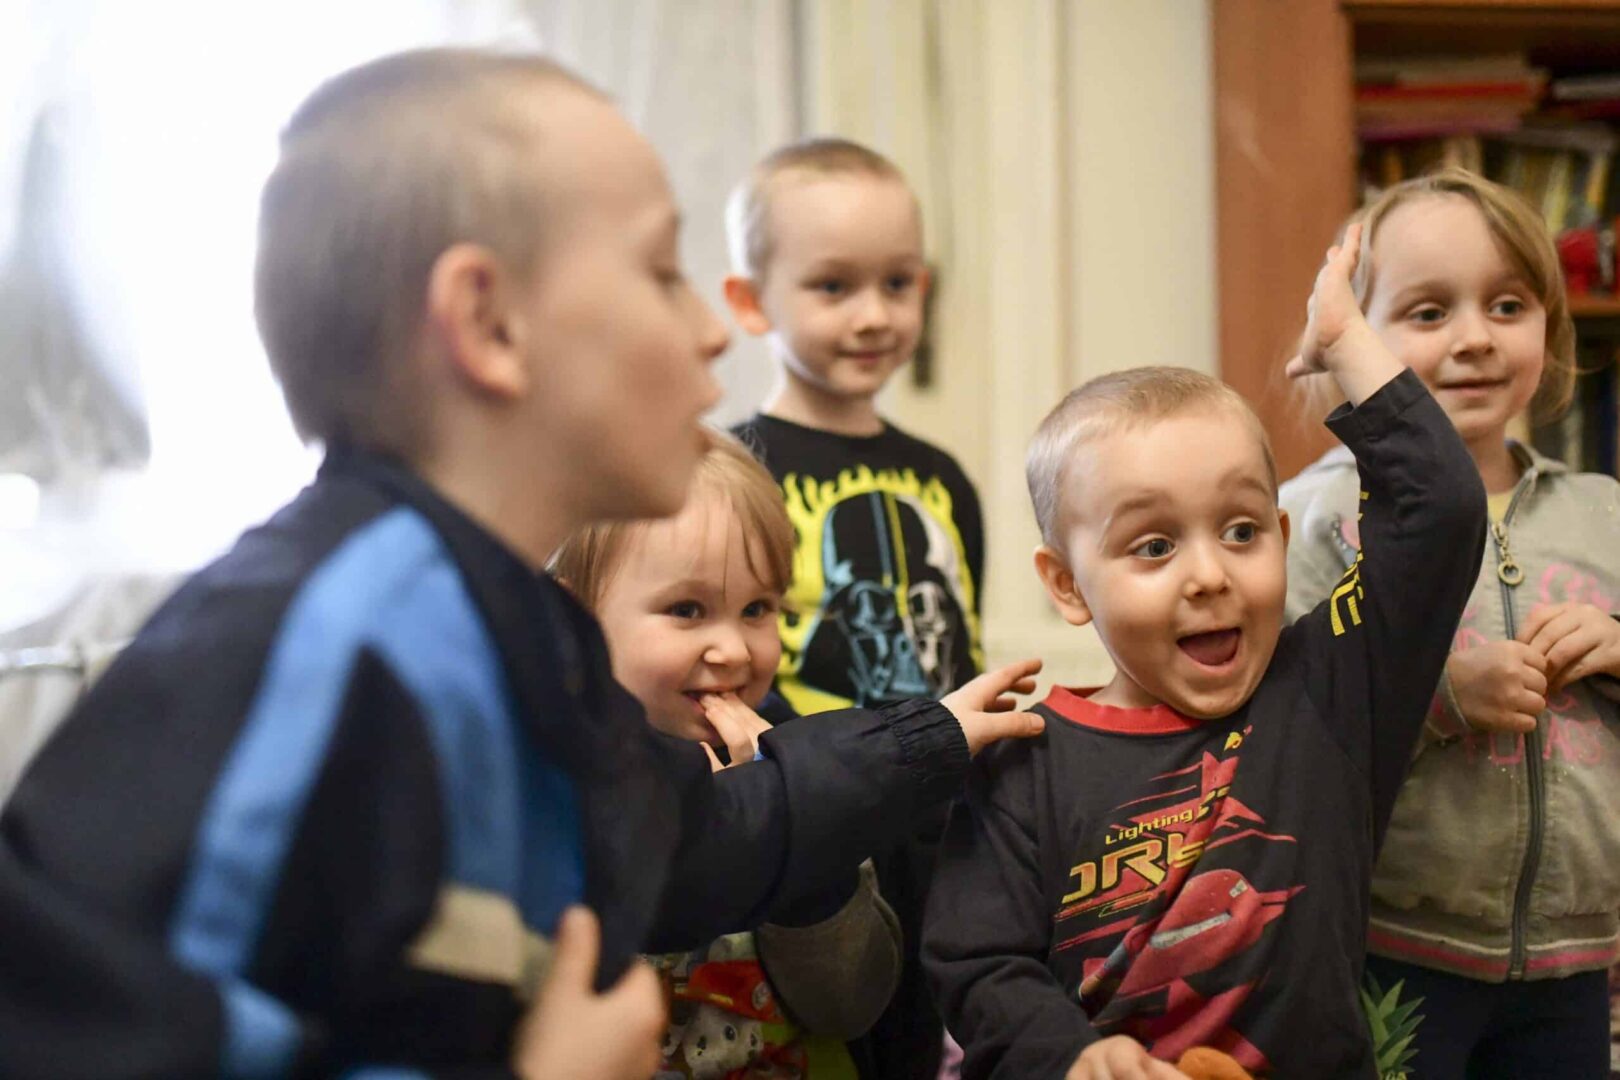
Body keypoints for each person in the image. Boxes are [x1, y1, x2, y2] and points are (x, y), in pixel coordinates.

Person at [0, 48, 1043, 1079]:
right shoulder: (329, 636)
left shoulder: (518, 635)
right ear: (489, 323)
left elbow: (695, 841)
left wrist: (918, 746)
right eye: (660, 273)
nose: (709, 332)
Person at [922, 222, 1487, 1078]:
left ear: (1282, 538)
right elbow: (979, 965)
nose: (1210, 575)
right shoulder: (1020, 765)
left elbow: (1439, 511)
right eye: (1154, 546)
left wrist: (1345, 343)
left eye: (1241, 530)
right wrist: (1076, 1059)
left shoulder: (1332, 690)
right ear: (1067, 585)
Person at [1281, 167, 1620, 1080]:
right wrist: (1441, 695)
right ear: (1356, 336)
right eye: (1429, 313)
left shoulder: (1604, 510)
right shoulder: (1315, 517)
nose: (1476, 338)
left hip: (1575, 960)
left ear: (1551, 325)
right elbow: (1286, 720)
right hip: (1393, 946)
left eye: (1508, 305)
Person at [554, 430, 962, 1077]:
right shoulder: (549, 776)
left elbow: (851, 1004)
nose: (736, 652)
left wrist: (795, 830)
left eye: (757, 609)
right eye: (687, 609)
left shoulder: (807, 766)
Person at [725, 135, 984, 1079]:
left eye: (897, 283)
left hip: (945, 829)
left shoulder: (943, 478)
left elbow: (959, 644)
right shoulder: (732, 472)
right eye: (834, 286)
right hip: (822, 835)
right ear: (752, 301)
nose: (874, 314)